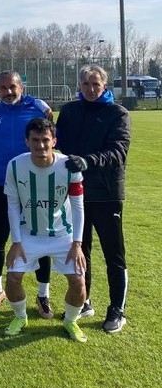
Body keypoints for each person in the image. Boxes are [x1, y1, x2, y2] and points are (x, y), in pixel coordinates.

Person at [56, 64, 131, 333]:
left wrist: (86, 162)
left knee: (114, 254)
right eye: (86, 84)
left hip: (107, 194)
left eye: (95, 84)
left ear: (104, 86)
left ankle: (117, 309)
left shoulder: (118, 113)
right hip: (75, 193)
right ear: (79, 85)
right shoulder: (69, 111)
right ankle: (84, 300)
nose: (90, 89)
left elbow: (118, 151)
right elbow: (57, 144)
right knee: (80, 250)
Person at [0, 71, 54, 316]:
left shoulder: (36, 111)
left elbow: (52, 140)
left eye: (12, 87)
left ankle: (43, 295)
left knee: (40, 239)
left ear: (21, 87)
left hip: (33, 187)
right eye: (3, 88)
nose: (8, 92)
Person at [3, 118, 88, 343]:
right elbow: (13, 206)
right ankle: (20, 317)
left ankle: (70, 321)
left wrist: (77, 243)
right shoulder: (15, 166)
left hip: (63, 235)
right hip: (29, 234)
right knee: (13, 277)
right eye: (35, 140)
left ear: (54, 141)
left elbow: (78, 206)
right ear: (27, 141)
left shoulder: (69, 166)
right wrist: (16, 242)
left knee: (79, 282)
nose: (41, 145)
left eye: (45, 140)